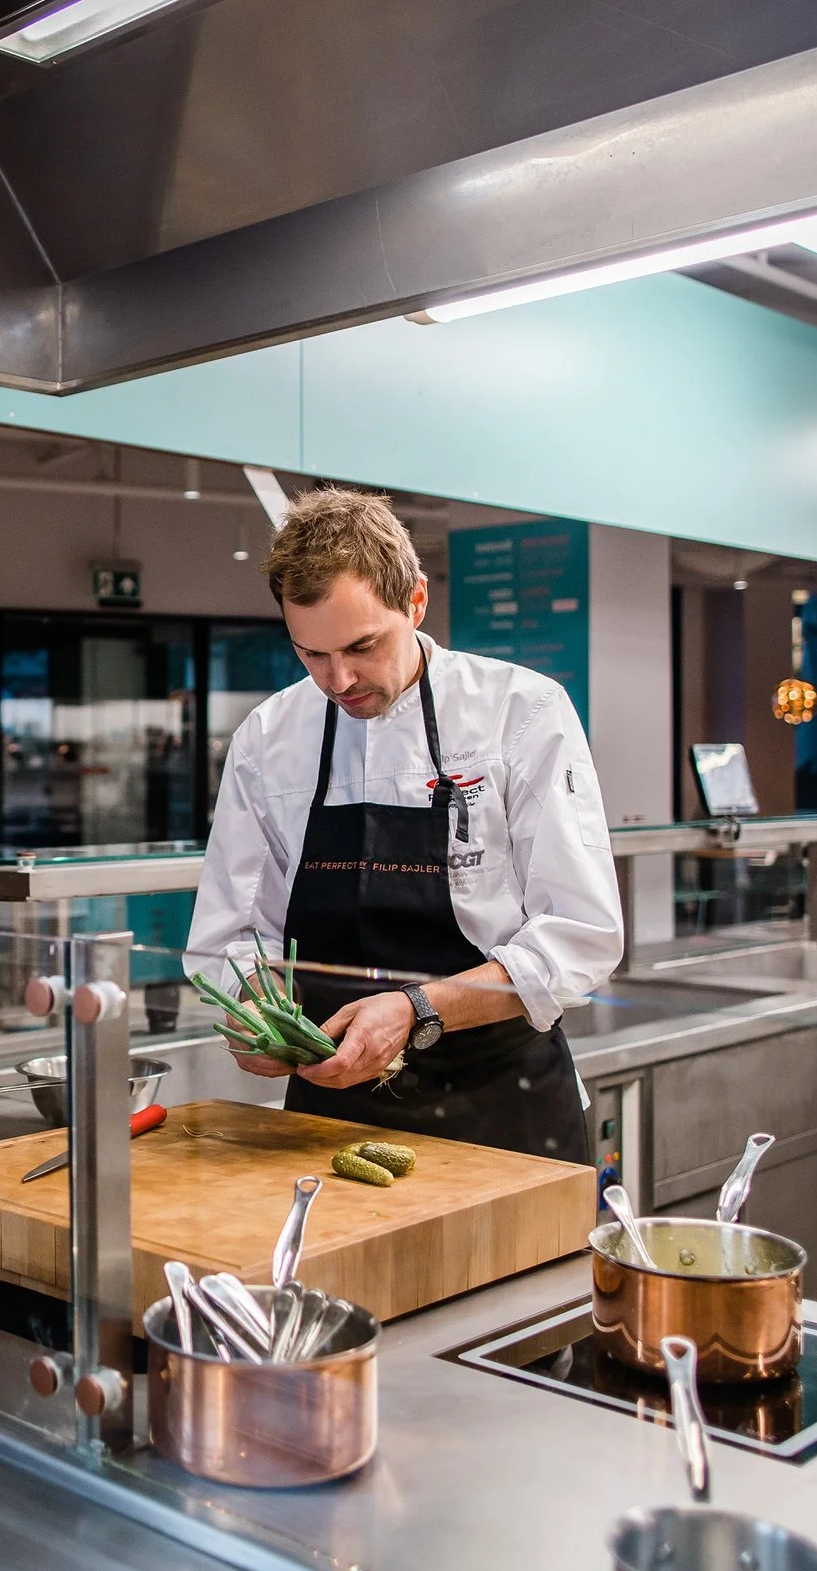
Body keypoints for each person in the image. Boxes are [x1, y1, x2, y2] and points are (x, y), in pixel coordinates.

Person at [184, 487, 621, 1161]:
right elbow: (232, 934)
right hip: (330, 1112)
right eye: (312, 654)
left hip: (500, 1102)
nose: (338, 678)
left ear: (415, 601)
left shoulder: (523, 713)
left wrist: (418, 1009)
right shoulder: (268, 738)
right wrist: (254, 1010)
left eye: (362, 645)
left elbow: (582, 936)